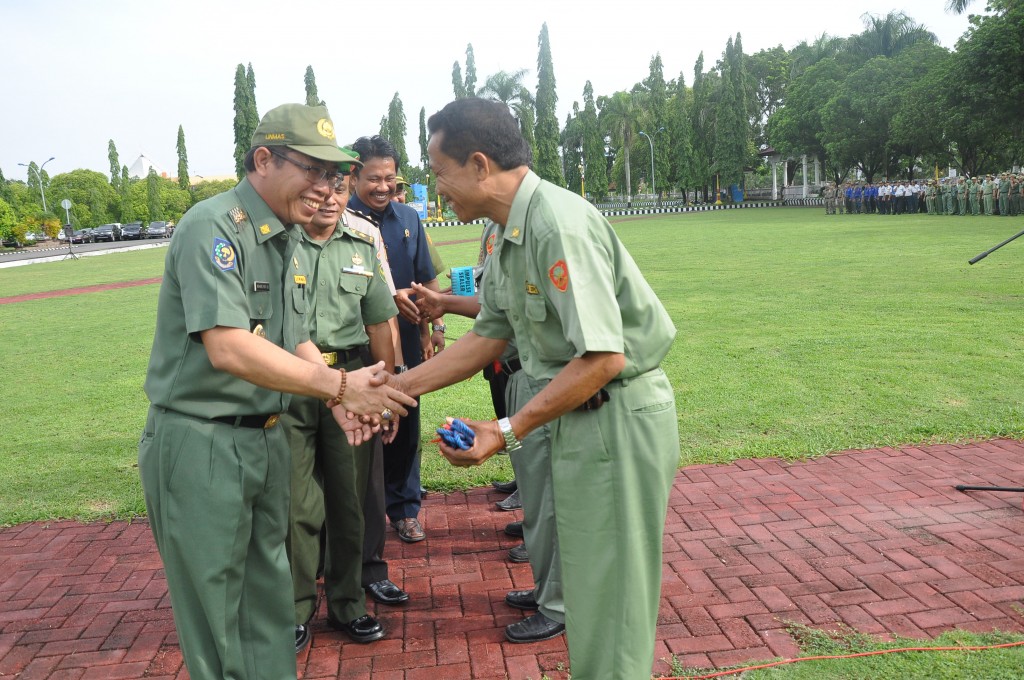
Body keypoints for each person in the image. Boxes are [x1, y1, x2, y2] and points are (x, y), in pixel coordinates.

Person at [392, 97, 680, 680]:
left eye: (438, 170)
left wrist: (503, 431)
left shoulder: (555, 223)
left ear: (478, 164)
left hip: (614, 417)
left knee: (610, 597)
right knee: (585, 580)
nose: (434, 186)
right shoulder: (509, 229)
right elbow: (489, 335)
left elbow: (603, 357)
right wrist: (395, 388)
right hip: (578, 415)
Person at [138, 103, 415, 680]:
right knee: (217, 611)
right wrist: (339, 384)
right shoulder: (213, 227)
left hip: (263, 439)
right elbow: (229, 346)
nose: (325, 187)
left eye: (333, 176)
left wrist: (340, 397)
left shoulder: (283, 237)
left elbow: (295, 338)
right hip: (203, 442)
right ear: (263, 159)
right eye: (312, 171)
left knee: (267, 603)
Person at [412, 226, 567, 644]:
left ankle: (558, 605)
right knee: (536, 494)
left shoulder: (539, 232)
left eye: (445, 172)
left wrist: (399, 387)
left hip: (540, 380)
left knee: (551, 499)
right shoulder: (500, 231)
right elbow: (493, 317)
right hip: (517, 377)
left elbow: (493, 326)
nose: (441, 189)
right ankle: (546, 590)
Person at [284, 148, 401, 652]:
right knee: (295, 503)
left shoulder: (360, 244)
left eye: (338, 187)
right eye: (321, 186)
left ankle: (348, 603)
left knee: (350, 499)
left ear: (347, 191)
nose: (330, 197)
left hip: (352, 379)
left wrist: (387, 392)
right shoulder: (278, 244)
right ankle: (292, 609)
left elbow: (380, 323)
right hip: (289, 384)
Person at [349, 135, 445, 543]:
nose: (383, 187)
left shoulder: (407, 218)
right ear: (354, 176)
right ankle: (361, 514)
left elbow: (427, 279)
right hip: (359, 346)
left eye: (390, 178)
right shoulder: (342, 220)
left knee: (405, 423)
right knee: (365, 428)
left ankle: (404, 508)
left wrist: (432, 328)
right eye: (374, 178)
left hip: (406, 341)